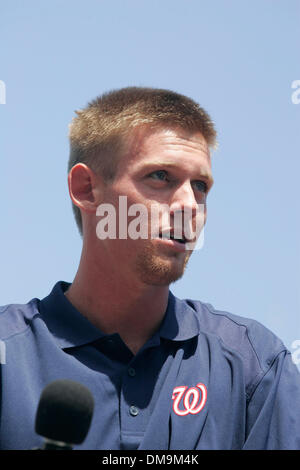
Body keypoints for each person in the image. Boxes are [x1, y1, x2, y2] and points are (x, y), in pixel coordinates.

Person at [1, 86, 300, 450]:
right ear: (86, 188)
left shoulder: (255, 367)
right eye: (161, 176)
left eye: (201, 185)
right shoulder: (9, 358)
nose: (190, 205)